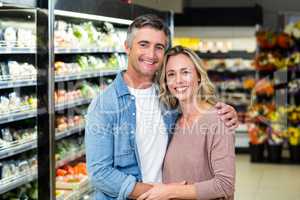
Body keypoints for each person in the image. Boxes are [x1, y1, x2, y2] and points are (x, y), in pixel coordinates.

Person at [85, 14, 238, 200]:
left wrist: (225, 112)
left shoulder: (167, 98)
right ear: (127, 47)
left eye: (159, 47)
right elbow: (100, 173)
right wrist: (156, 192)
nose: (151, 54)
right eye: (143, 44)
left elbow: (198, 113)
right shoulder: (104, 105)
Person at [137, 45, 235, 200]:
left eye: (185, 72)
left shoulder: (218, 120)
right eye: (171, 74)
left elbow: (225, 185)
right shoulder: (172, 121)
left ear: (198, 76)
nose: (178, 81)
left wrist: (169, 192)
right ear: (166, 82)